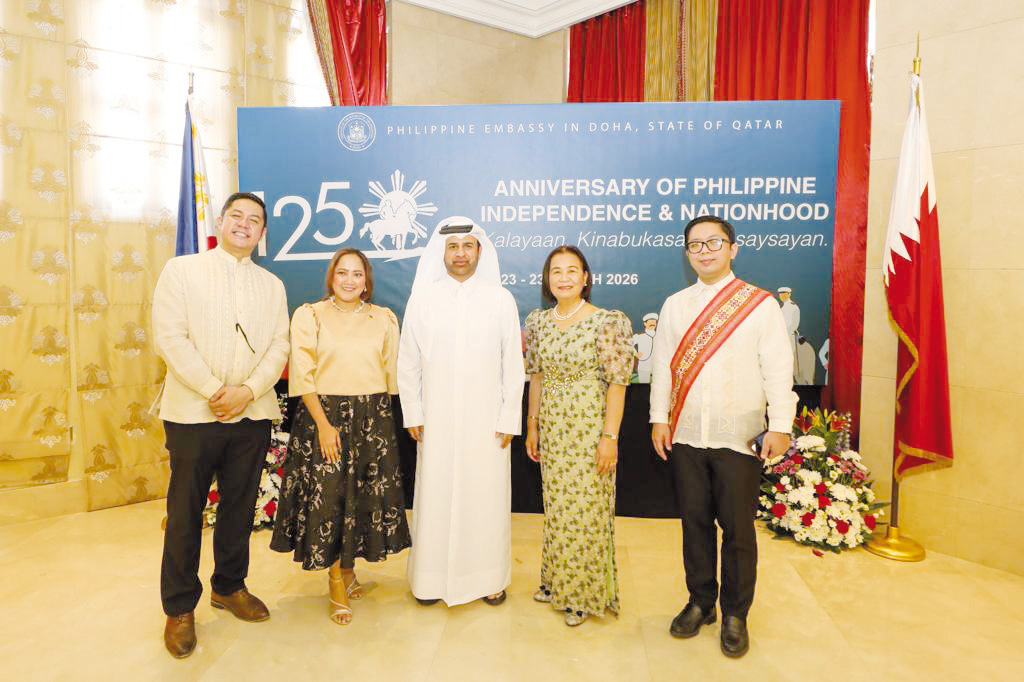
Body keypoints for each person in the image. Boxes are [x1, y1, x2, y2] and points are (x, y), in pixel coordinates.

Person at [650, 215, 797, 659]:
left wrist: (781, 425)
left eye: (714, 242)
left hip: (740, 437)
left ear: (733, 248)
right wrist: (659, 418)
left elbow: (778, 369)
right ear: (687, 254)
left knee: (737, 530)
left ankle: (736, 613)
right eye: (695, 245)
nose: (705, 251)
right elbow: (663, 368)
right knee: (693, 523)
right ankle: (700, 602)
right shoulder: (675, 305)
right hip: (687, 433)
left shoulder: (759, 305)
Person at [152, 192, 289, 659]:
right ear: (220, 221)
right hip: (193, 412)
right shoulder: (182, 271)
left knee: (239, 508)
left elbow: (280, 345)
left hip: (251, 413)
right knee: (185, 513)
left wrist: (247, 391)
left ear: (262, 233)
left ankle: (229, 586)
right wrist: (215, 389)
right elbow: (170, 337)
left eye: (254, 220)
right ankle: (179, 608)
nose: (244, 224)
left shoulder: (272, 285)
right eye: (237, 216)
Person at [270, 248, 411, 625]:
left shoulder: (384, 319)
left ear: (367, 282)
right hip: (325, 417)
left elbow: (392, 377)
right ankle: (335, 579)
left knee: (361, 499)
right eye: (342, 273)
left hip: (372, 419)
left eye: (357, 274)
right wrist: (323, 425)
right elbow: (303, 375)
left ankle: (349, 570)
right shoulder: (310, 315)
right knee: (330, 501)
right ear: (332, 277)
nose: (349, 280)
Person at [397, 216, 524, 608]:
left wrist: (509, 416)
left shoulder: (500, 299)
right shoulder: (422, 300)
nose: (460, 254)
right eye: (453, 247)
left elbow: (512, 365)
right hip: (435, 421)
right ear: (442, 252)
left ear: (480, 251)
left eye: (468, 246)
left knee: (486, 499)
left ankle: (489, 579)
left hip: (488, 424)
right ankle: (429, 581)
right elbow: (408, 362)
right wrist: (413, 412)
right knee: (435, 497)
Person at [523, 245, 633, 626]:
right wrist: (532, 425)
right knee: (557, 509)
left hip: (590, 431)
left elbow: (618, 383)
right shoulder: (538, 322)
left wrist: (610, 438)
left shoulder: (607, 321)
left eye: (572, 270)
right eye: (556, 271)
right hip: (553, 431)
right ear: (547, 279)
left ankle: (582, 596)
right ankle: (555, 581)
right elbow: (536, 376)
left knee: (586, 511)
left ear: (585, 278)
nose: (564, 278)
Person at [632, 312, 659, 383]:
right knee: (643, 386)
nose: (652, 324)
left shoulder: (659, 337)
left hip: (657, 367)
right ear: (645, 324)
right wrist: (635, 353)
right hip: (643, 366)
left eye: (654, 322)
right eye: (650, 322)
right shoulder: (640, 337)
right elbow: (628, 344)